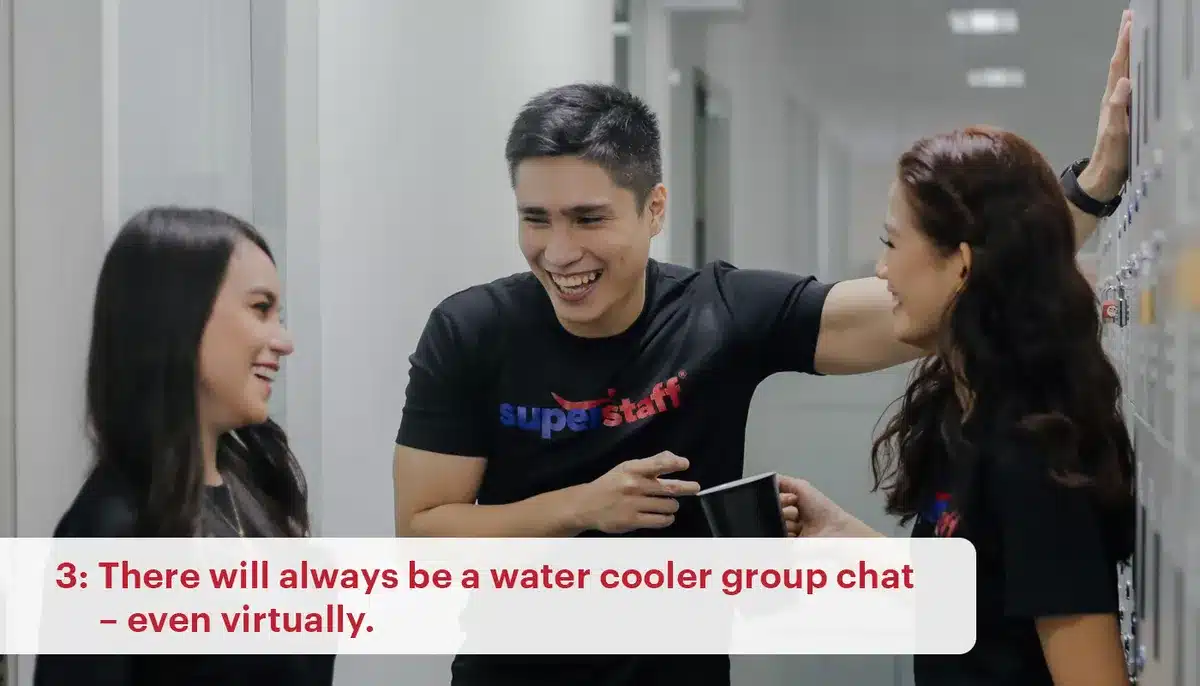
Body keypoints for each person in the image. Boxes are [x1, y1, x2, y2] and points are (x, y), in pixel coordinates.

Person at [392, 12, 1133, 685]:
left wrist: (1093, 187)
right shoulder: (470, 332)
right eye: (535, 218)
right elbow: (425, 535)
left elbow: (955, 288)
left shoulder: (720, 314)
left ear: (655, 209)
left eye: (588, 219)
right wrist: (582, 508)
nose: (558, 252)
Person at [776, 129, 1135, 684]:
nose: (881, 269)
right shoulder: (963, 411)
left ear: (962, 265)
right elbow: (978, 594)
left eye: (893, 243)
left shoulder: (1038, 461)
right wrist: (841, 534)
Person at [33, 207, 335, 686]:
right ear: (179, 318)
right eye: (261, 309)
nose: (284, 340)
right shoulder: (110, 529)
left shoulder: (257, 488)